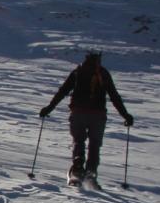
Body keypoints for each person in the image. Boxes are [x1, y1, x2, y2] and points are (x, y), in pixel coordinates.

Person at [39, 51, 134, 184]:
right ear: (98, 60)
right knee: (94, 144)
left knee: (78, 140)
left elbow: (63, 91)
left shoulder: (78, 71)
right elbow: (114, 96)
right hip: (98, 115)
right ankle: (91, 173)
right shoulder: (103, 73)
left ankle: (77, 168)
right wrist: (125, 115)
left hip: (78, 113)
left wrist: (49, 108)